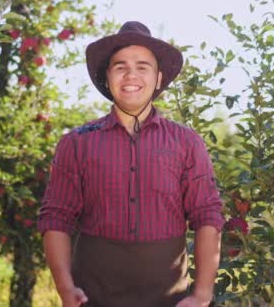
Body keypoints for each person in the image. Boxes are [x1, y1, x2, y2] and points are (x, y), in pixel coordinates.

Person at [37, 21, 224, 307]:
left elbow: (207, 216)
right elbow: (55, 218)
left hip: (170, 299)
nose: (131, 75)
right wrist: (65, 289)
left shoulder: (187, 143)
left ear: (159, 78)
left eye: (142, 66)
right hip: (93, 297)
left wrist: (201, 295)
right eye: (120, 66)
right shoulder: (76, 143)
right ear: (108, 76)